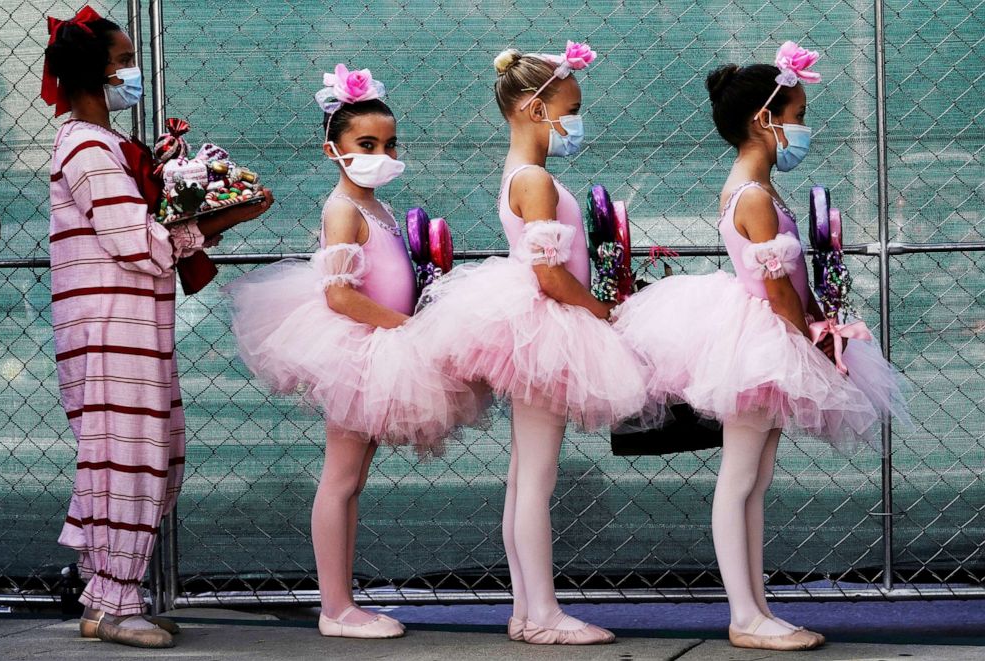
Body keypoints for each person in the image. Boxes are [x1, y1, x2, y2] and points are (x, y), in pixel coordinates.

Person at [614, 41, 908, 651]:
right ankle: (744, 615)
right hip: (761, 338)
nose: (803, 128)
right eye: (796, 114)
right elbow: (777, 290)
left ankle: (756, 608)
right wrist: (816, 340)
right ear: (764, 120)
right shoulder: (751, 196)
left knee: (755, 475)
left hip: (769, 332)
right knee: (741, 475)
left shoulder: (759, 189)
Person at [224, 63, 488, 639]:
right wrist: (406, 329)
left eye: (389, 144)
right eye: (367, 144)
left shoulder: (380, 209)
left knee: (351, 479)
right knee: (341, 478)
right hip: (361, 352)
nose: (381, 153)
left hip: (383, 345)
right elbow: (340, 294)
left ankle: (341, 602)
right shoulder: (343, 209)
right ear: (332, 150)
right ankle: (335, 607)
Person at [42, 5, 273, 649]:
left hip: (131, 328)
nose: (131, 73)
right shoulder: (87, 148)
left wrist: (209, 201)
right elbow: (138, 244)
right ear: (94, 74)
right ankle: (116, 605)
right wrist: (231, 215)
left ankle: (103, 597)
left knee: (139, 455)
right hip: (114, 332)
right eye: (123, 62)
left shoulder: (107, 144)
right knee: (129, 458)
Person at [407, 42, 651, 645]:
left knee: (525, 477)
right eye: (571, 107)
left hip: (533, 327)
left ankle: (526, 609)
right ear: (536, 109)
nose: (576, 120)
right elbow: (548, 272)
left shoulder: (522, 174)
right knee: (535, 478)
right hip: (545, 327)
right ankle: (541, 612)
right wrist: (603, 311)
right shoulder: (536, 180)